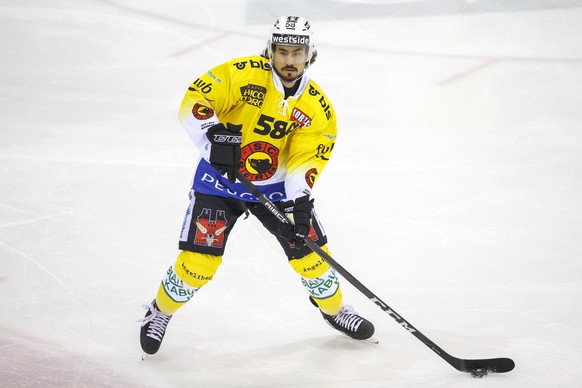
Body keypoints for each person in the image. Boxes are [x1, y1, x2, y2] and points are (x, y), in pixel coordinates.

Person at [139, 15, 375, 356]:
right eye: (282, 51)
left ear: (310, 54)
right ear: (270, 51)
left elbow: (305, 159)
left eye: (297, 53)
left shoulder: (317, 108)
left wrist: (301, 203)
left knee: (311, 256)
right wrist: (212, 139)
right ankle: (160, 310)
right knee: (198, 262)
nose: (289, 60)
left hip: (275, 191)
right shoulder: (241, 73)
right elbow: (196, 102)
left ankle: (335, 311)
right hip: (218, 182)